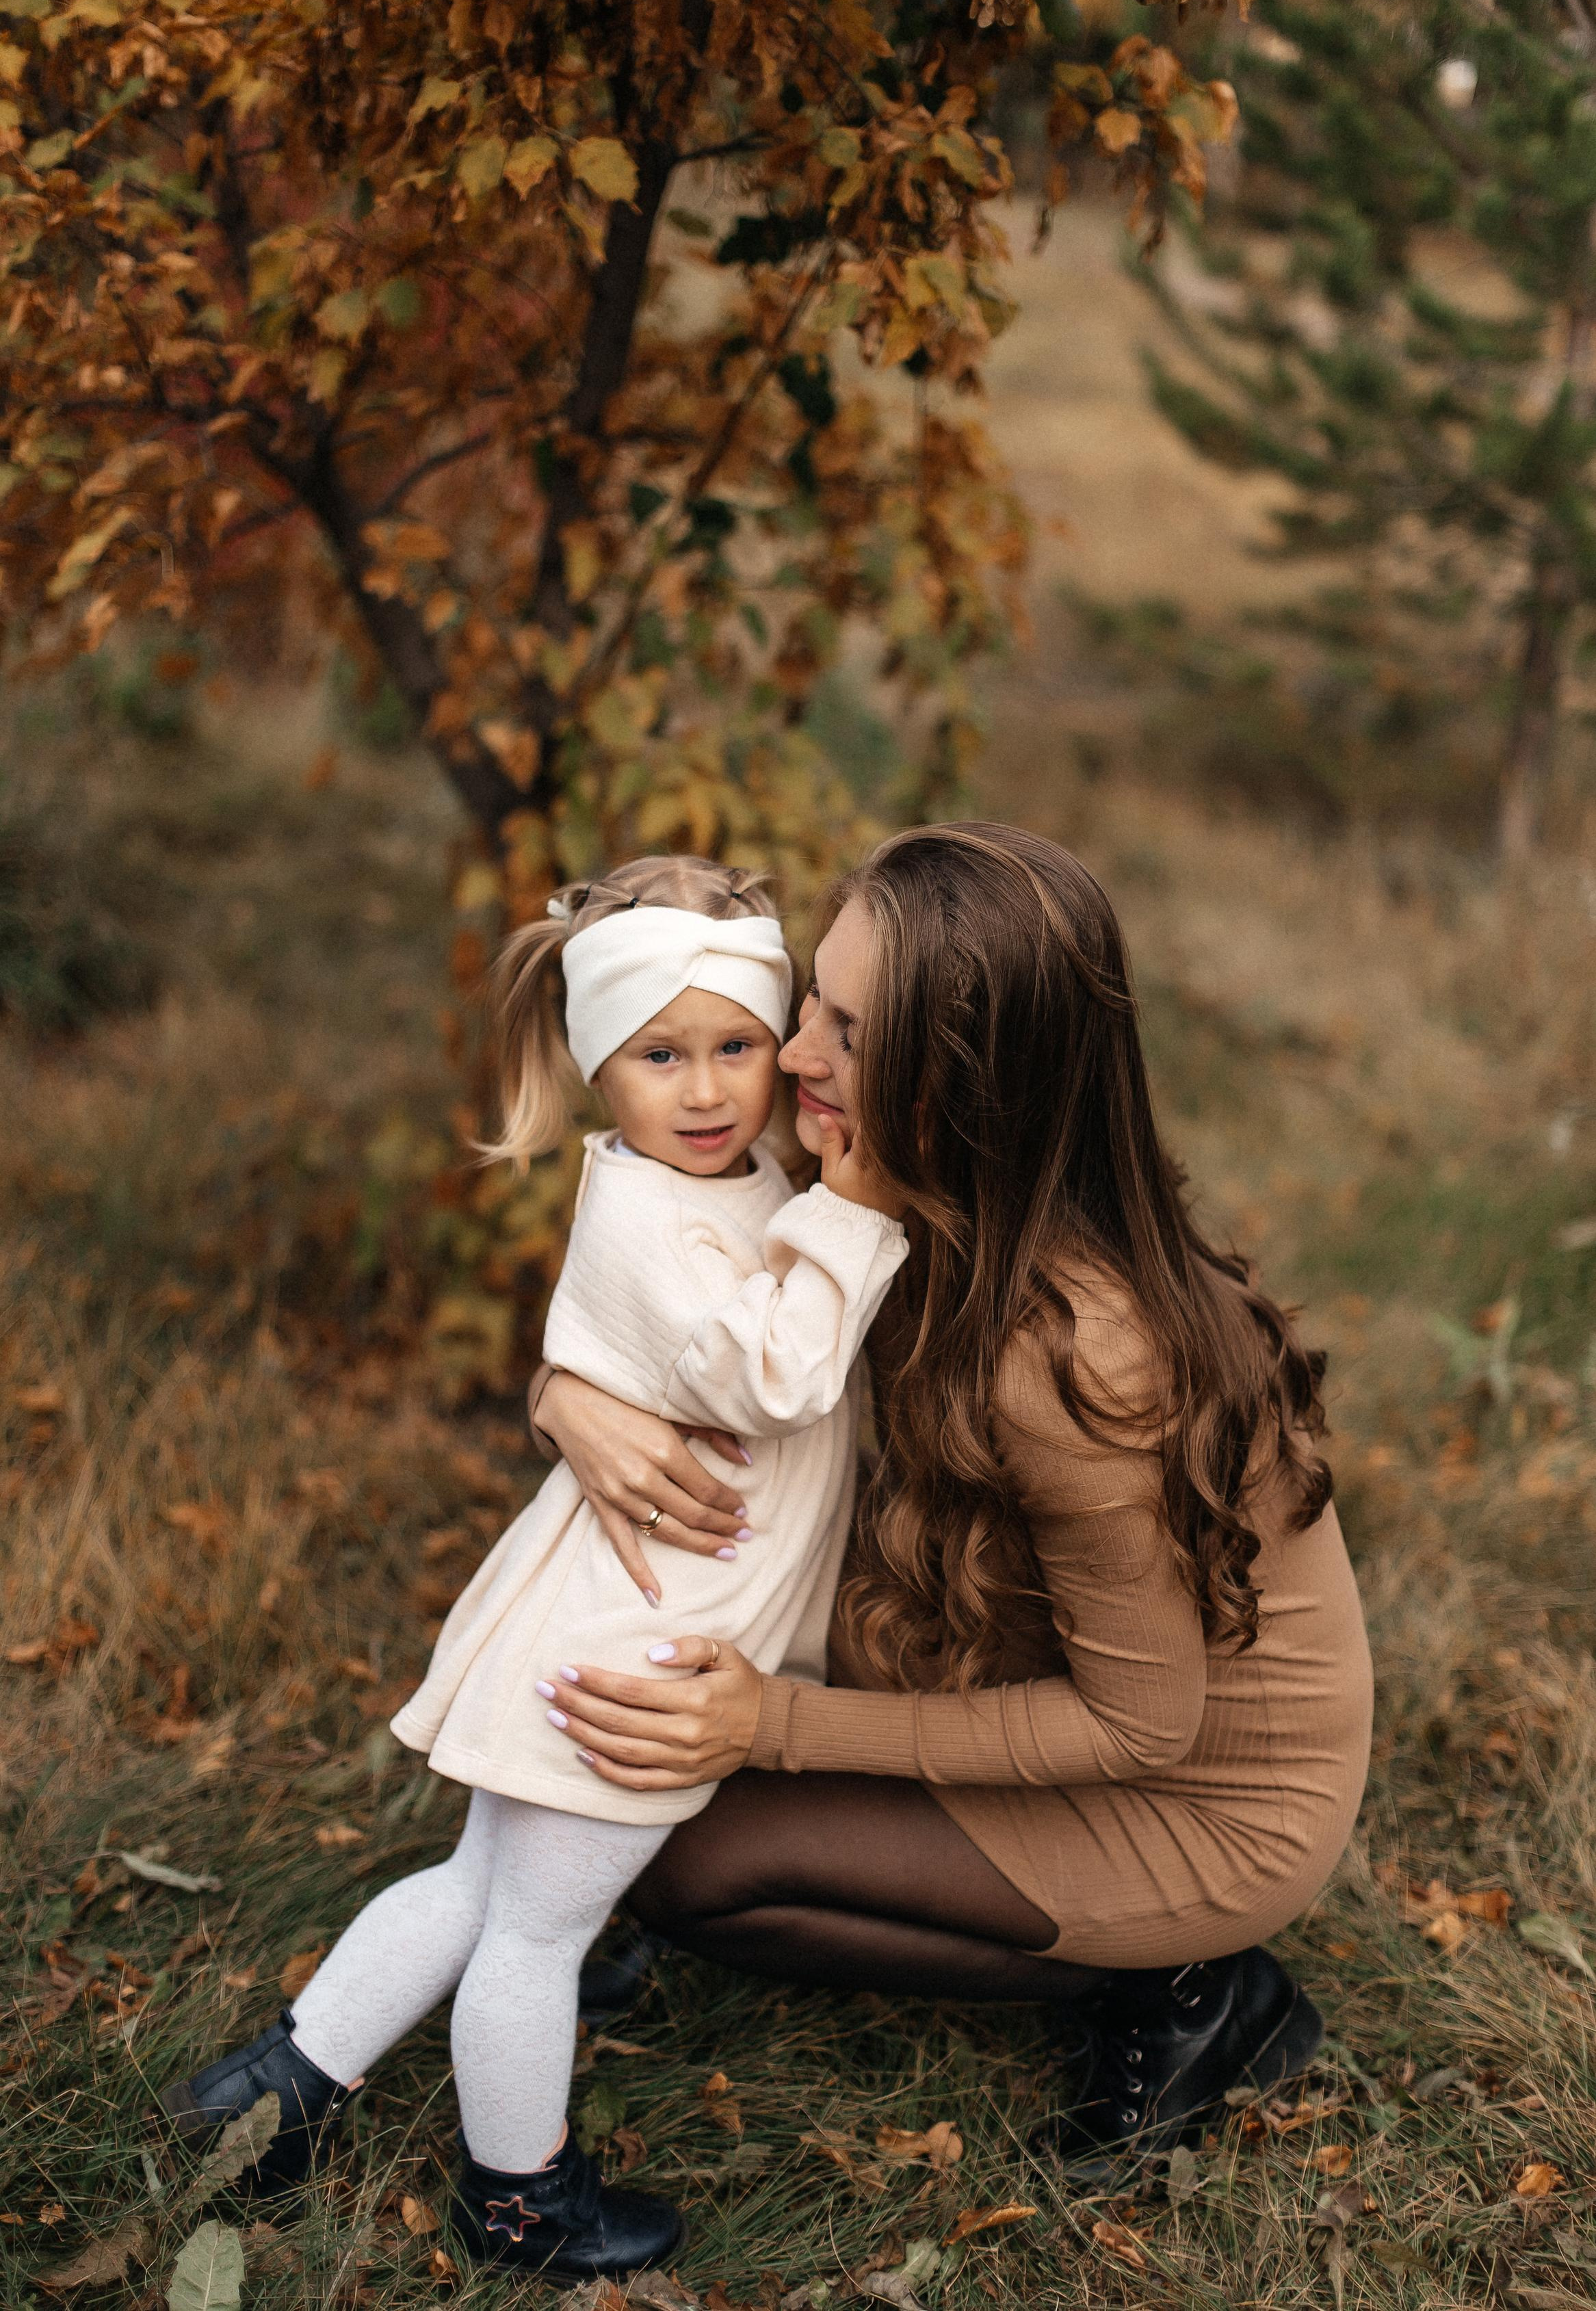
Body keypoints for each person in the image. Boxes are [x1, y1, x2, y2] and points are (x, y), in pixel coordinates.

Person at [526, 822, 1374, 2182]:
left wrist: (774, 1725)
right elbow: (676, 1313)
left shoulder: (1074, 1351)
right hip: (998, 1633)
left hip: (1197, 1794)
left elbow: (1141, 1724)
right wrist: (565, 1396)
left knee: (691, 1866)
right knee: (647, 1711)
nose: (790, 1056)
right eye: (811, 1000)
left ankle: (1188, 1988)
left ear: (969, 1082)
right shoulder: (889, 1175)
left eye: (850, 1035)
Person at [161, 854, 907, 2274]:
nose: (706, 1090)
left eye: (737, 1046)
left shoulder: (727, 1177)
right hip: (635, 1653)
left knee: (479, 1888)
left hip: (622, 1606)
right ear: (595, 1067)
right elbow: (779, 1377)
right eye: (659, 1057)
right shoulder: (648, 1215)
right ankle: (518, 2199)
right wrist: (859, 1207)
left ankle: (274, 2094)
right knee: (535, 1933)